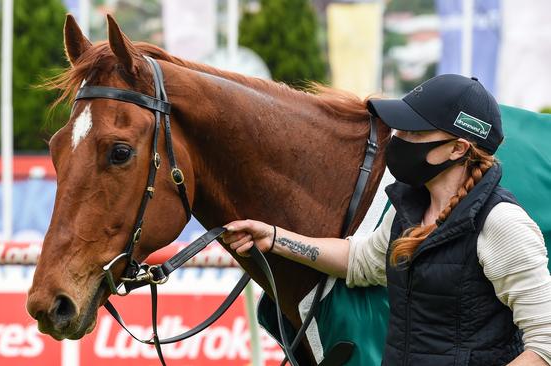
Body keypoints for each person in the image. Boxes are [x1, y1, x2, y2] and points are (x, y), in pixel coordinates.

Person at [222, 74, 551, 366]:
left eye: (415, 132)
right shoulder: (406, 208)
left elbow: (544, 346)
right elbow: (361, 261)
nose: (399, 139)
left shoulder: (502, 224)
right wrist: (276, 238)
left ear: (457, 149)